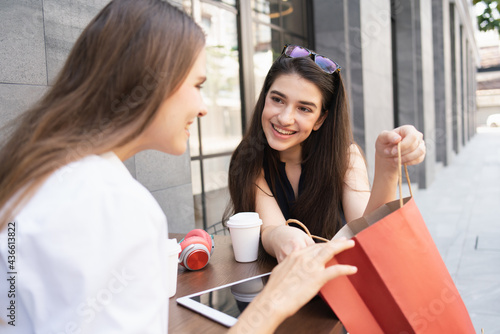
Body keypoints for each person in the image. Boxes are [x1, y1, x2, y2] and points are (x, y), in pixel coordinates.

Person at [0, 1, 357, 333]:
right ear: (148, 82)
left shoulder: (38, 171)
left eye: (305, 108)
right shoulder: (114, 205)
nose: (203, 108)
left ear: (323, 118)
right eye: (197, 85)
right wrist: (275, 300)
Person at [225, 45, 426, 263]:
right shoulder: (249, 158)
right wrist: (280, 236)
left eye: (304, 108)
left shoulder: (346, 157)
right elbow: (270, 228)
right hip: (269, 287)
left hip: (339, 287)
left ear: (321, 119)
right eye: (278, 99)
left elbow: (367, 229)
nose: (284, 118)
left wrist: (387, 166)